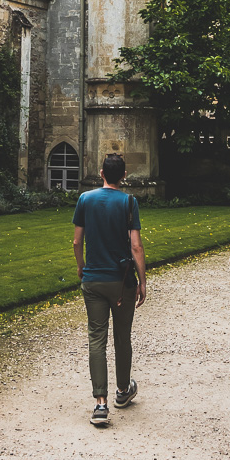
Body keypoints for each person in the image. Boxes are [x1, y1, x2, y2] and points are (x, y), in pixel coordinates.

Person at [72, 152, 147, 427]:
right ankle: (123, 391)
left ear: (101, 173)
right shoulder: (129, 202)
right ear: (124, 176)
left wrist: (81, 267)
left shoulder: (85, 199)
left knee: (96, 339)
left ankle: (100, 405)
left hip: (93, 280)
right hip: (121, 281)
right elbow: (136, 246)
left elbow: (77, 242)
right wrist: (143, 281)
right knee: (122, 336)